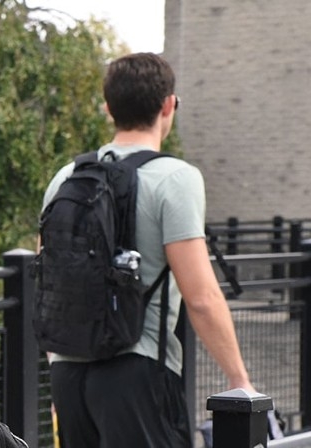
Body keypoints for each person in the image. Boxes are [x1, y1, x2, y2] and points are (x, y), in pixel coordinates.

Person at [42, 52, 255, 448]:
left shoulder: (65, 178)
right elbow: (203, 297)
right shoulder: (175, 178)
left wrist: (58, 367)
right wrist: (240, 381)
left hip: (68, 375)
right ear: (168, 105)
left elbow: (51, 284)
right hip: (137, 373)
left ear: (108, 108)